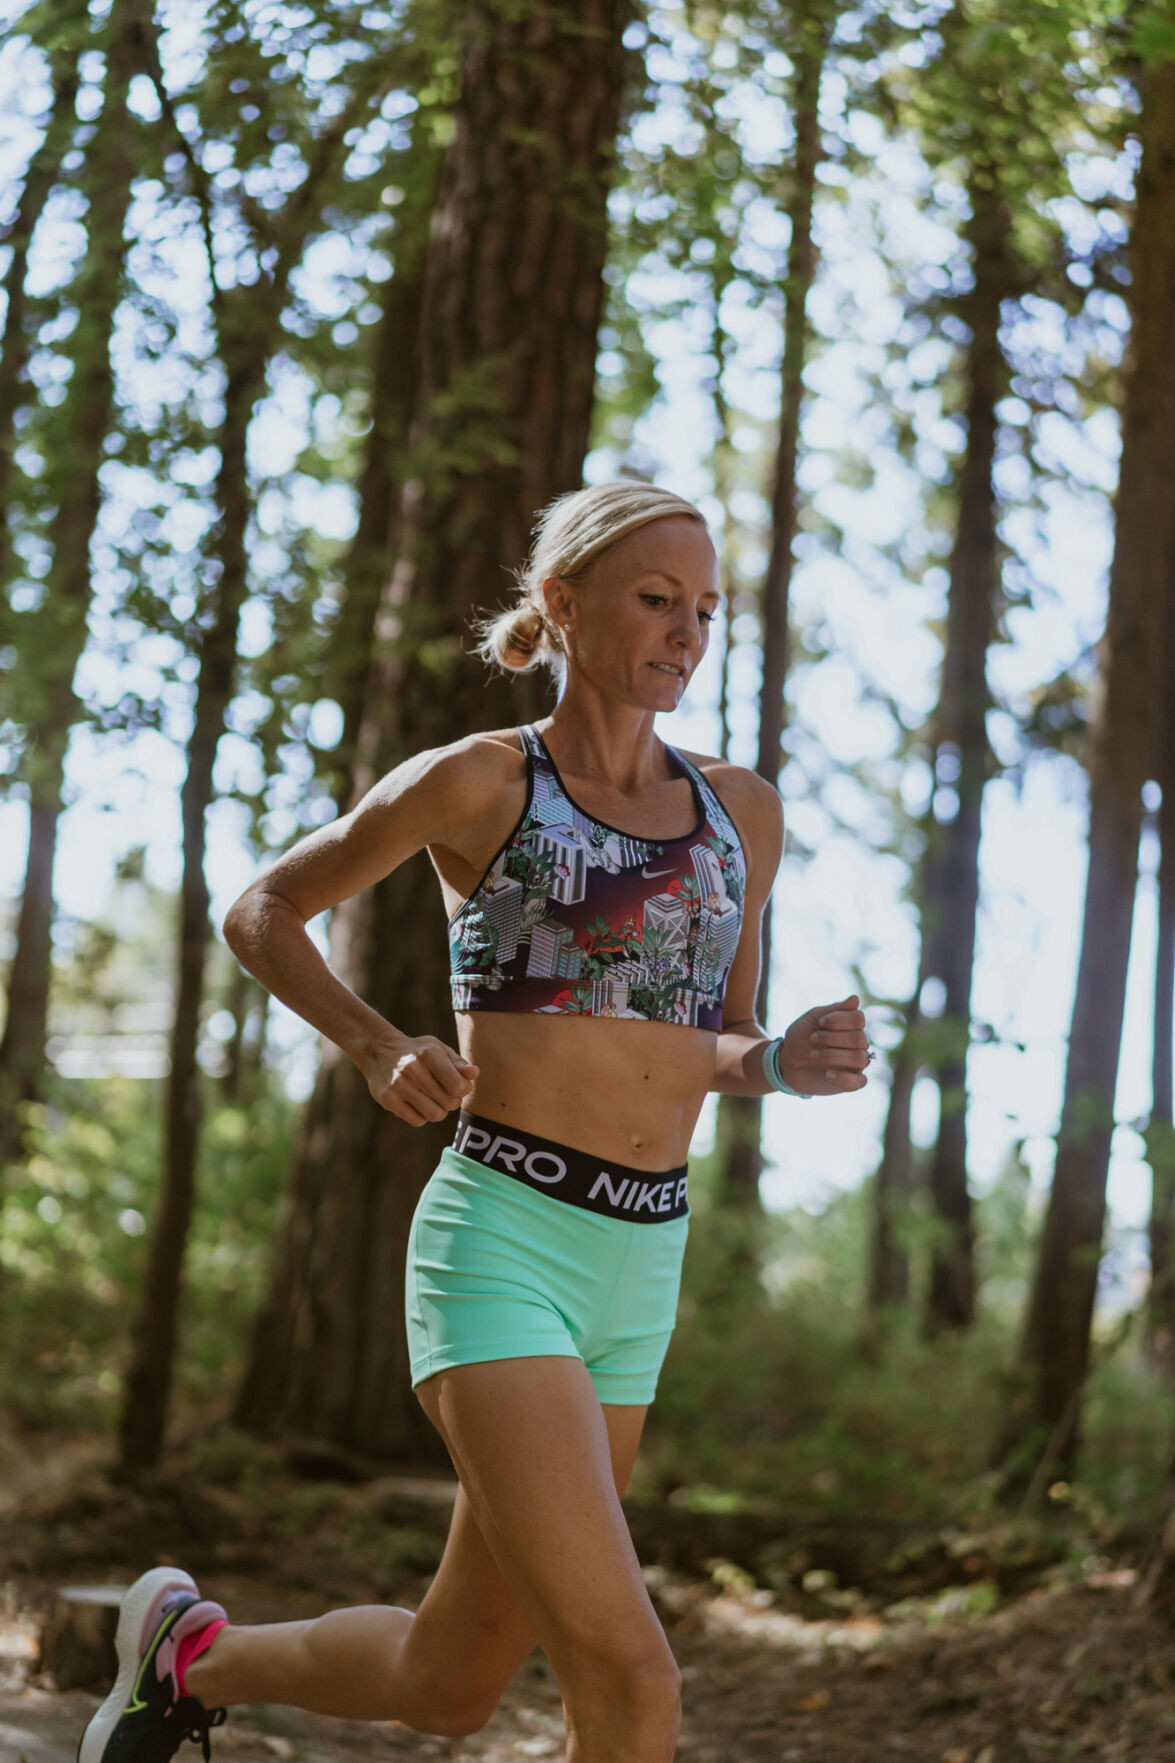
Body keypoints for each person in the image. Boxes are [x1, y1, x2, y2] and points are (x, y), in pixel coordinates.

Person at [80, 479, 873, 1763]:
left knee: (448, 1677)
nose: (685, 632)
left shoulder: (741, 811)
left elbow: (715, 1036)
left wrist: (781, 1060)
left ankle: (187, 1656)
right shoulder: (485, 779)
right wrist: (377, 1042)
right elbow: (263, 908)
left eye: (705, 610)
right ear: (562, 603)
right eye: (655, 599)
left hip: (640, 1262)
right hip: (502, 1241)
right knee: (633, 1680)